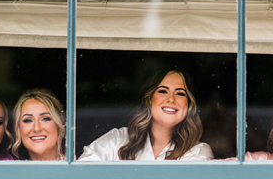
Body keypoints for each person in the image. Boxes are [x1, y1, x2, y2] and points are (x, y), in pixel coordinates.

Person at [78, 68, 213, 161]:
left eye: (180, 93)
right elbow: (81, 176)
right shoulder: (117, 140)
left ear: (189, 106)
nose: (171, 99)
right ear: (149, 99)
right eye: (163, 91)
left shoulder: (198, 152)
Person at [11, 88, 66, 161]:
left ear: (60, 125)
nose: (36, 128)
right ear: (18, 129)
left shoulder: (80, 167)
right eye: (28, 120)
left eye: (45, 119)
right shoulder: (10, 171)